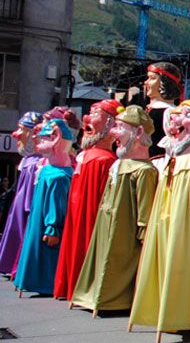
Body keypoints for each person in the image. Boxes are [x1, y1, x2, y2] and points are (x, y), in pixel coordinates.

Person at [128, 98, 190, 343]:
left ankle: (181, 314)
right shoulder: (180, 166)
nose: (177, 119)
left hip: (181, 235)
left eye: (188, 114)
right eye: (178, 113)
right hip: (174, 232)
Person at [71, 106, 160, 316]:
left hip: (125, 235)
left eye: (120, 127)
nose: (113, 133)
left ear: (138, 133)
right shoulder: (118, 166)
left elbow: (145, 211)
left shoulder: (144, 171)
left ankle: (115, 299)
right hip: (107, 227)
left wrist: (143, 234)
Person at [56, 99, 121, 302]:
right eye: (89, 113)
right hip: (78, 210)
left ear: (111, 125)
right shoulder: (93, 157)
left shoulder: (104, 160)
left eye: (95, 114)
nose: (87, 118)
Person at [14, 119, 75, 297]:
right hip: (38, 219)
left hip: (46, 224)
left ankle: (46, 283)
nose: (39, 141)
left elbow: (56, 204)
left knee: (47, 254)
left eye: (45, 138)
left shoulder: (58, 176)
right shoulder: (49, 171)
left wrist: (52, 227)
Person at [0, 112, 44, 277]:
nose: (16, 134)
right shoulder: (29, 161)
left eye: (22, 129)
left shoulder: (35, 164)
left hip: (25, 206)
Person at [143, 62, 183, 159]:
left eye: (152, 78)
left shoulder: (170, 112)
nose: (146, 82)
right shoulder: (149, 109)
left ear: (165, 82)